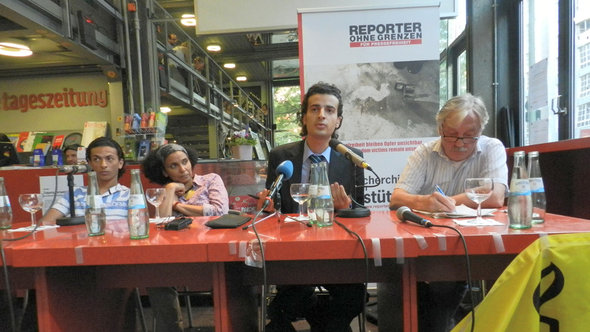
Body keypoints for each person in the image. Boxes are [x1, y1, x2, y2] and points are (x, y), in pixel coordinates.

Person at [387, 93, 508, 332]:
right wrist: (424, 201)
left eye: (469, 136)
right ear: (440, 127)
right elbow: (396, 198)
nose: (460, 143)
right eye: (452, 135)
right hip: (429, 244)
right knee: (404, 285)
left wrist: (447, 202)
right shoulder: (424, 152)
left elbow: (495, 196)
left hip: (475, 244)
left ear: (480, 130)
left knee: (444, 288)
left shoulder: (491, 147)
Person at [258, 82, 366, 332]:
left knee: (353, 298)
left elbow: (363, 214)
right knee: (282, 308)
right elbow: (274, 207)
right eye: (315, 109)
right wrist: (266, 207)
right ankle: (323, 320)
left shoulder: (353, 158)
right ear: (304, 117)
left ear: (338, 120)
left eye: (329, 110)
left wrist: (347, 207)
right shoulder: (280, 156)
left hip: (338, 254)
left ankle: (323, 321)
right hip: (293, 253)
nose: (321, 115)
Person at [141, 143, 229, 332]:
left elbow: (219, 210)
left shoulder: (211, 179)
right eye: (174, 166)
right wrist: (171, 189)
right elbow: (161, 221)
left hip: (213, 247)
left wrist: (178, 207)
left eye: (185, 162)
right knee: (155, 278)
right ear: (164, 172)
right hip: (177, 251)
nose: (183, 169)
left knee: (231, 272)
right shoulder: (165, 191)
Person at [39, 137, 129, 224]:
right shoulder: (75, 193)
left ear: (120, 163)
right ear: (90, 163)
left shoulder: (130, 195)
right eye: (96, 159)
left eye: (109, 159)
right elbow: (45, 223)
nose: (103, 165)